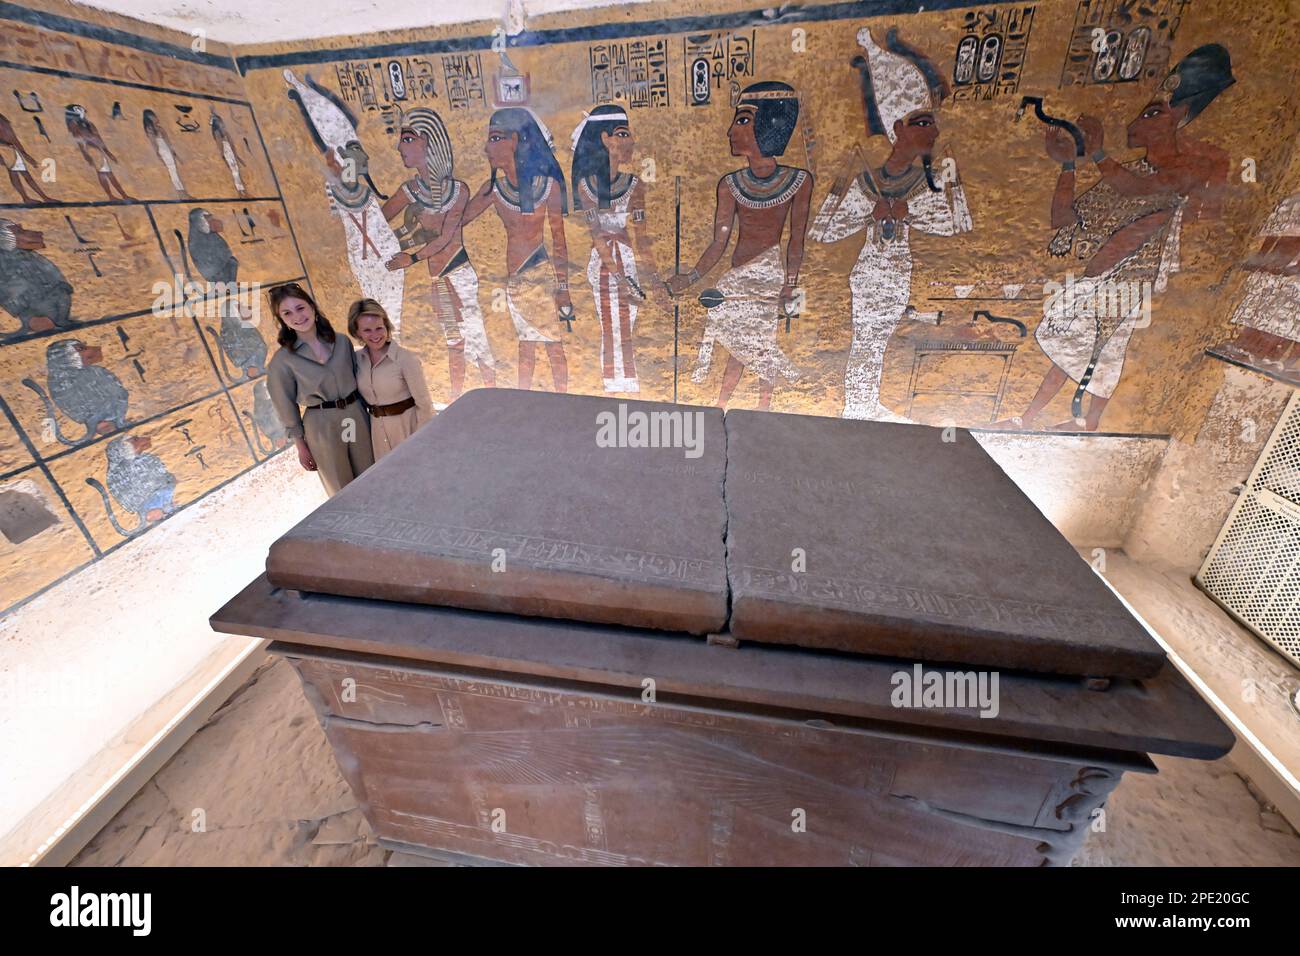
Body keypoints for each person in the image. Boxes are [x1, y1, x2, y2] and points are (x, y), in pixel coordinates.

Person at [994, 43, 1233, 432]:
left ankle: (1080, 423)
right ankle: (1036, 419)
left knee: (1101, 350)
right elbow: (1064, 218)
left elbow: (1141, 189)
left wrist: (1100, 152)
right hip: (1101, 274)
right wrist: (1069, 164)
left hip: (1133, 279)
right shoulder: (1128, 172)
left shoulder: (1191, 166)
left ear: (1180, 116)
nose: (1137, 121)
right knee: (1078, 348)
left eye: (1154, 112)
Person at [809, 27, 972, 422]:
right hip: (870, 275)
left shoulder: (929, 180)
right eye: (922, 123)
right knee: (866, 342)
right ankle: (858, 406)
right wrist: (869, 210)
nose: (933, 131)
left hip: (900, 274)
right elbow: (824, 230)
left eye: (932, 123)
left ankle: (865, 403)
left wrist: (908, 213)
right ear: (897, 129)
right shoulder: (867, 180)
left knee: (878, 343)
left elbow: (957, 223)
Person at [667, 81, 811, 409]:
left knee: (759, 345)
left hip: (769, 278)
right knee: (739, 346)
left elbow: (795, 242)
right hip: (736, 279)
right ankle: (720, 405)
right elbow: (719, 243)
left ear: (770, 124)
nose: (730, 130)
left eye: (742, 120)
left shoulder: (799, 181)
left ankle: (762, 408)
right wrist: (689, 279)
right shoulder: (730, 185)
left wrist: (789, 286)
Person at [384, 107, 496, 400]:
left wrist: (411, 258)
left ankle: (496, 397)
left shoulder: (458, 190)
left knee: (476, 340)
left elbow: (447, 237)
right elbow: (379, 220)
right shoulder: (409, 190)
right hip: (437, 279)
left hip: (458, 273)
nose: (399, 147)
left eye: (407, 139)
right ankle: (457, 399)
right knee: (453, 342)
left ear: (427, 141)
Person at [462, 107, 572, 393]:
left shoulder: (547, 187)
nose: (487, 148)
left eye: (495, 138)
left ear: (515, 140)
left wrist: (563, 288)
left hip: (540, 274)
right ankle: (524, 403)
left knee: (552, 347)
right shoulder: (494, 189)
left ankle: (564, 404)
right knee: (527, 348)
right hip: (516, 282)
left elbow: (559, 241)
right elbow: (458, 219)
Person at [570, 104, 665, 393]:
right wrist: (619, 278)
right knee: (611, 327)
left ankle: (628, 384)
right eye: (622, 134)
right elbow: (597, 237)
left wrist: (654, 279)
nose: (630, 141)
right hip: (603, 266)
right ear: (604, 139)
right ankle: (612, 384)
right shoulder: (586, 187)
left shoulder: (634, 185)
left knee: (626, 325)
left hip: (627, 259)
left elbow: (642, 237)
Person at [266, 282, 373, 496]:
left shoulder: (342, 342)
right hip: (322, 424)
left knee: (371, 473)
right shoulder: (283, 361)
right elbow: (285, 406)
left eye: (300, 308)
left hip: (355, 416)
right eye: (287, 313)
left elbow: (360, 378)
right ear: (282, 320)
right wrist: (301, 446)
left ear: (312, 307)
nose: (296, 316)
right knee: (339, 484)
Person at [349, 298, 434, 461]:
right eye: (367, 330)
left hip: (407, 430)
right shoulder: (356, 359)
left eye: (379, 328)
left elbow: (425, 405)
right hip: (377, 432)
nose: (375, 335)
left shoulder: (405, 359)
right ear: (357, 332)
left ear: (386, 326)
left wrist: (420, 440)